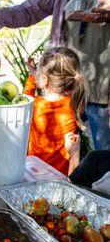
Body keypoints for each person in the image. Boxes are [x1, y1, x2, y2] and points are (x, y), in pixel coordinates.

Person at [0, 0, 110, 151]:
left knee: (105, 158)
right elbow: (31, 9)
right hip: (65, 89)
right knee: (64, 153)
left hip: (102, 93)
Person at [23, 46, 88, 176]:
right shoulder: (74, 104)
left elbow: (26, 96)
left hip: (34, 173)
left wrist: (31, 76)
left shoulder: (34, 104)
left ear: (44, 80)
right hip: (62, 177)